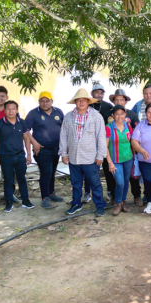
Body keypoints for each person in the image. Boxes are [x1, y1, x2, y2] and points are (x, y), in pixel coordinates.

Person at [59, 89, 107, 217]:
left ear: (88, 101)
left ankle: (100, 205)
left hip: (90, 157)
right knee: (76, 183)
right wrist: (64, 153)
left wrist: (100, 155)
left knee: (95, 183)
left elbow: (101, 137)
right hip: (74, 157)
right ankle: (76, 203)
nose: (81, 102)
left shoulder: (96, 116)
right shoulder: (68, 116)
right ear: (75, 102)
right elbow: (63, 135)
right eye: (78, 100)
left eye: (84, 100)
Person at [0, 100, 36, 212]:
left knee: (22, 178)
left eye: (13, 109)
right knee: (8, 180)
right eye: (8, 109)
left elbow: (26, 138)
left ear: (17, 110)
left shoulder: (21, 123)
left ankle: (26, 201)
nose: (11, 111)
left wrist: (28, 154)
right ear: (4, 110)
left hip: (19, 156)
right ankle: (8, 203)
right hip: (5, 157)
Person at [25, 91, 65, 209]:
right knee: (46, 172)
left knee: (52, 171)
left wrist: (64, 146)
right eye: (42, 101)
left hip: (56, 149)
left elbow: (63, 129)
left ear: (52, 101)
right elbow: (25, 131)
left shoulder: (58, 112)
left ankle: (51, 193)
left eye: (47, 101)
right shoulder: (33, 114)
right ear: (39, 102)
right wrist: (34, 143)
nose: (45, 103)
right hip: (41, 149)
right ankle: (45, 197)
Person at [109, 89, 143, 206]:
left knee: (132, 176)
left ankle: (136, 195)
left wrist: (139, 149)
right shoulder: (109, 116)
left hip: (129, 152)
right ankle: (114, 197)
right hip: (113, 153)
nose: (119, 102)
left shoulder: (132, 115)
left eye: (121, 100)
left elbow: (137, 133)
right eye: (116, 100)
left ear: (125, 101)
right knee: (114, 177)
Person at [83, 82, 114, 204]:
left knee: (107, 167)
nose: (99, 95)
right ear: (92, 93)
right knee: (89, 168)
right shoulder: (86, 106)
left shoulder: (108, 106)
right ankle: (87, 192)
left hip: (104, 142)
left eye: (101, 93)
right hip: (90, 142)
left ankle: (110, 191)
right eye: (97, 92)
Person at [105, 105, 134, 215]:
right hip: (115, 160)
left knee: (126, 181)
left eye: (122, 114)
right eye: (117, 114)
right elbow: (105, 147)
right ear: (113, 115)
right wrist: (110, 163)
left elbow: (131, 143)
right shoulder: (109, 127)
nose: (119, 116)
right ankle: (117, 203)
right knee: (120, 182)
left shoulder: (128, 126)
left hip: (128, 158)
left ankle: (123, 201)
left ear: (125, 115)